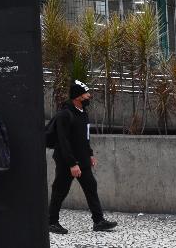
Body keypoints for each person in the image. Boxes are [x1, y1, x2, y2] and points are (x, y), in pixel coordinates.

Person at [48, 80, 118, 235]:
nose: (89, 96)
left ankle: (98, 221)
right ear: (77, 97)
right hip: (67, 161)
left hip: (83, 159)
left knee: (91, 187)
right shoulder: (64, 115)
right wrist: (72, 164)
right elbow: (63, 142)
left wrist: (90, 154)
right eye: (86, 94)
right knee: (60, 190)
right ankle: (51, 222)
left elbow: (84, 138)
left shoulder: (82, 113)